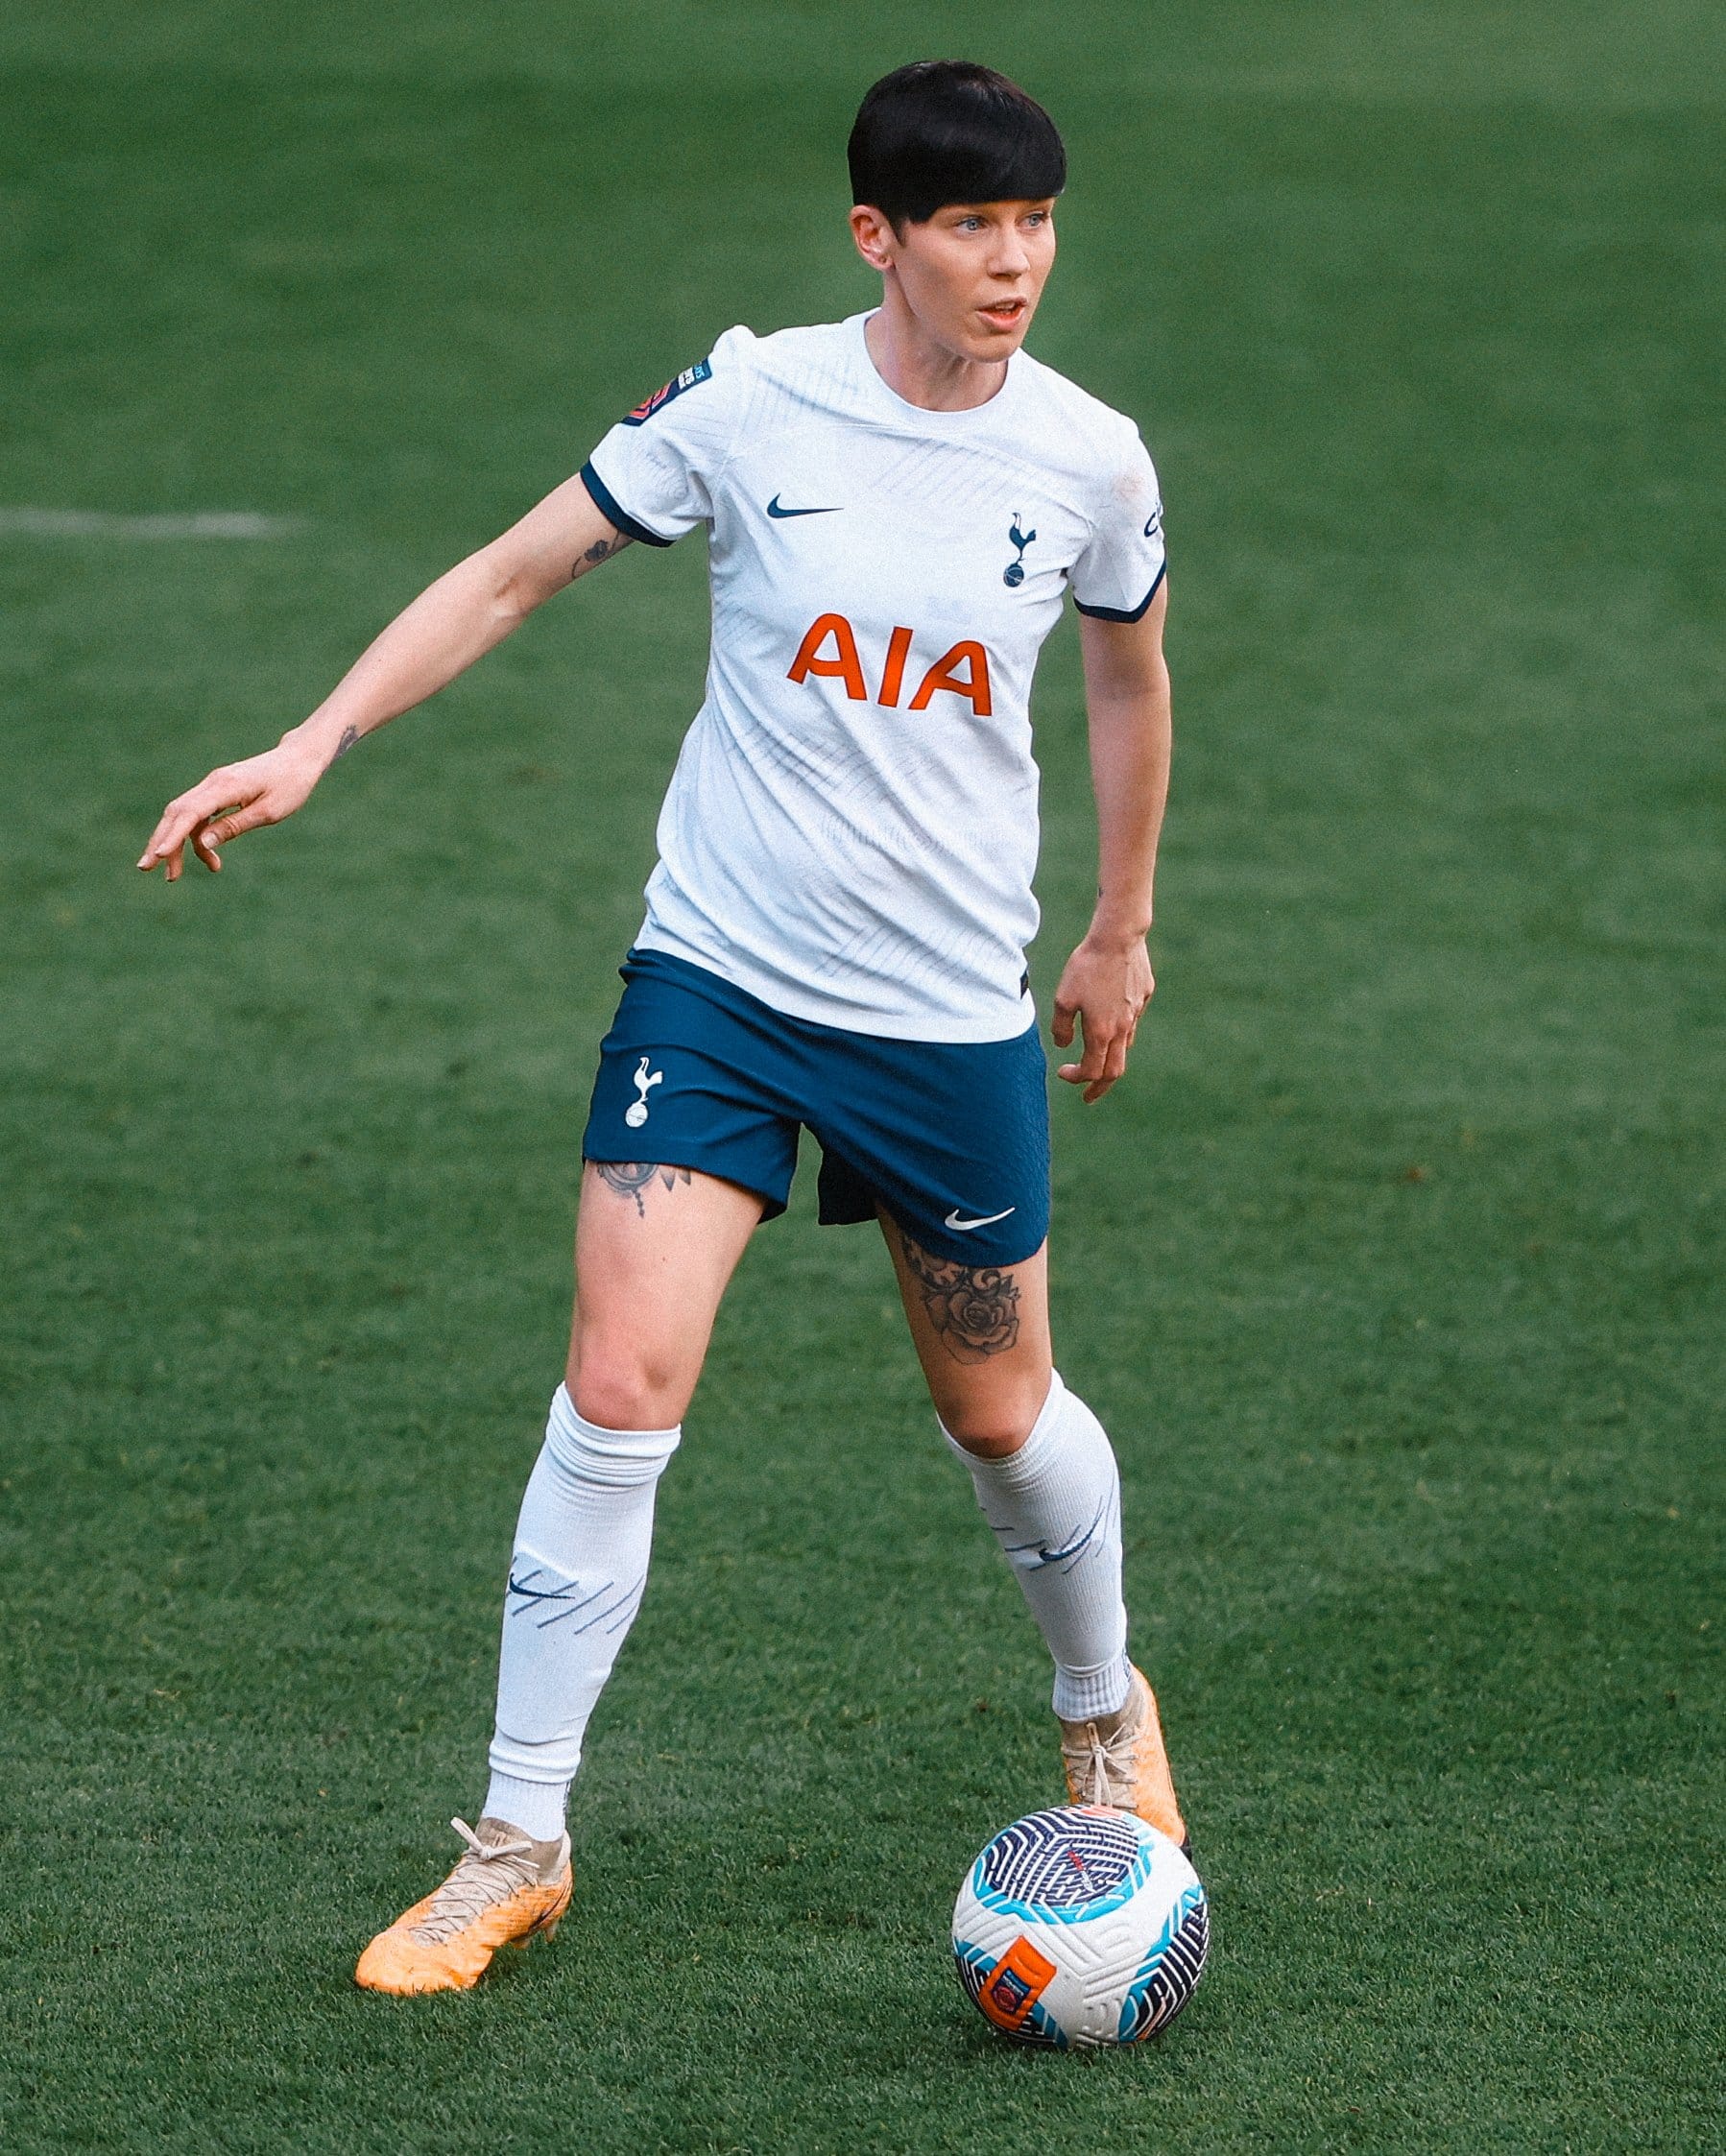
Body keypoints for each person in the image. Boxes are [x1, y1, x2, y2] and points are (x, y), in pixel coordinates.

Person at [138, 60, 1186, 1997]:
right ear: (877, 236)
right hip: (713, 985)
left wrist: (1115, 931)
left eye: (1033, 223)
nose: (1010, 261)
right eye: (968, 225)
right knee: (619, 1385)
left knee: (996, 1413)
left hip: (943, 1019)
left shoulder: (1088, 462)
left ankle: (1098, 1706)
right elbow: (516, 569)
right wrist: (314, 737)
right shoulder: (747, 398)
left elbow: (1128, 686)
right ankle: (513, 1838)